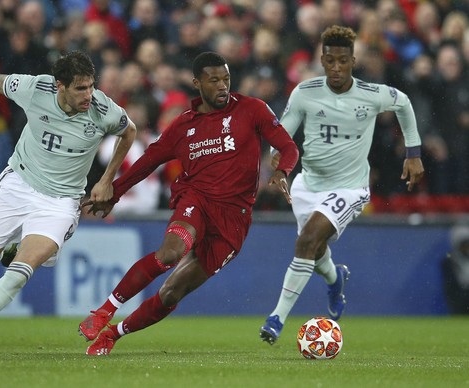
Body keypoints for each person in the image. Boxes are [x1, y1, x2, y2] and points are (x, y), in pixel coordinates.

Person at [79, 51, 299, 356]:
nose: (222, 86)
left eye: (226, 79)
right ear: (197, 83)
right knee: (170, 253)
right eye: (214, 80)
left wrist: (282, 171)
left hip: (233, 222)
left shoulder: (252, 110)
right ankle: (103, 311)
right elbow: (147, 162)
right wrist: (113, 193)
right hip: (196, 200)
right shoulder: (184, 126)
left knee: (171, 292)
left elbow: (288, 146)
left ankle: (113, 335)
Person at [0, 50, 137, 353]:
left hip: (61, 203)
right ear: (60, 86)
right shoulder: (34, 88)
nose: (89, 94)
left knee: (17, 277)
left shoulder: (103, 109)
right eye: (80, 88)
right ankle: (11, 243)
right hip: (18, 185)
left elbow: (129, 132)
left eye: (91, 85)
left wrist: (107, 179)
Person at [259, 25, 424, 345]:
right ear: (322, 59)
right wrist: (277, 160)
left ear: (353, 60)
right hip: (308, 185)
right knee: (315, 249)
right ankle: (336, 278)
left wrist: (413, 152)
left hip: (350, 188)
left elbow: (403, 102)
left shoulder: (372, 94)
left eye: (343, 61)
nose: (336, 67)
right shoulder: (305, 92)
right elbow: (282, 134)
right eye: (330, 60)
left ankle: (276, 318)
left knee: (307, 241)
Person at [441, 223, 469, 314]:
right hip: (459, 299)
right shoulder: (449, 261)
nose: (467, 249)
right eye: (464, 245)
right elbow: (451, 287)